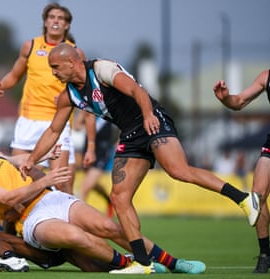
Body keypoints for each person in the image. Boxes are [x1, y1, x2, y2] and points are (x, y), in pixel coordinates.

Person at [19, 42, 260, 273]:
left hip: (152, 119)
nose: (53, 73)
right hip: (130, 135)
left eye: (56, 67)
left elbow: (137, 90)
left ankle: (243, 199)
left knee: (178, 171)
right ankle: (144, 263)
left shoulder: (101, 69)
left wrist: (147, 115)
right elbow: (53, 131)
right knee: (119, 197)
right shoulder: (68, 96)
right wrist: (32, 160)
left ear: (72, 62)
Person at [0, 132, 205, 274]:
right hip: (32, 221)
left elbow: (22, 161)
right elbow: (9, 199)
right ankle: (133, 265)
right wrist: (45, 181)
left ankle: (174, 263)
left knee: (108, 227)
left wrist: (45, 156)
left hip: (52, 198)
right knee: (76, 236)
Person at [0, 2, 92, 194]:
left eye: (60, 18)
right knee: (19, 180)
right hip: (28, 120)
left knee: (61, 184)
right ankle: (10, 225)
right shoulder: (30, 46)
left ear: (67, 25)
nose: (56, 21)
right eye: (52, 17)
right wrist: (1, 85)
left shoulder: (75, 52)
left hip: (58, 121)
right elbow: (14, 75)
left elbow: (85, 86)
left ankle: (63, 223)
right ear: (45, 22)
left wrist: (68, 97)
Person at [213, 70, 270, 273]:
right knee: (258, 195)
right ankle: (265, 255)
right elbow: (238, 102)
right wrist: (226, 98)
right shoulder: (266, 77)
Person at [74, 111, 118, 216]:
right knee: (91, 183)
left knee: (85, 187)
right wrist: (87, 124)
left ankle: (80, 219)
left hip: (103, 150)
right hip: (88, 148)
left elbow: (123, 126)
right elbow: (77, 125)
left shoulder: (108, 107)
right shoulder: (89, 106)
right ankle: (109, 200)